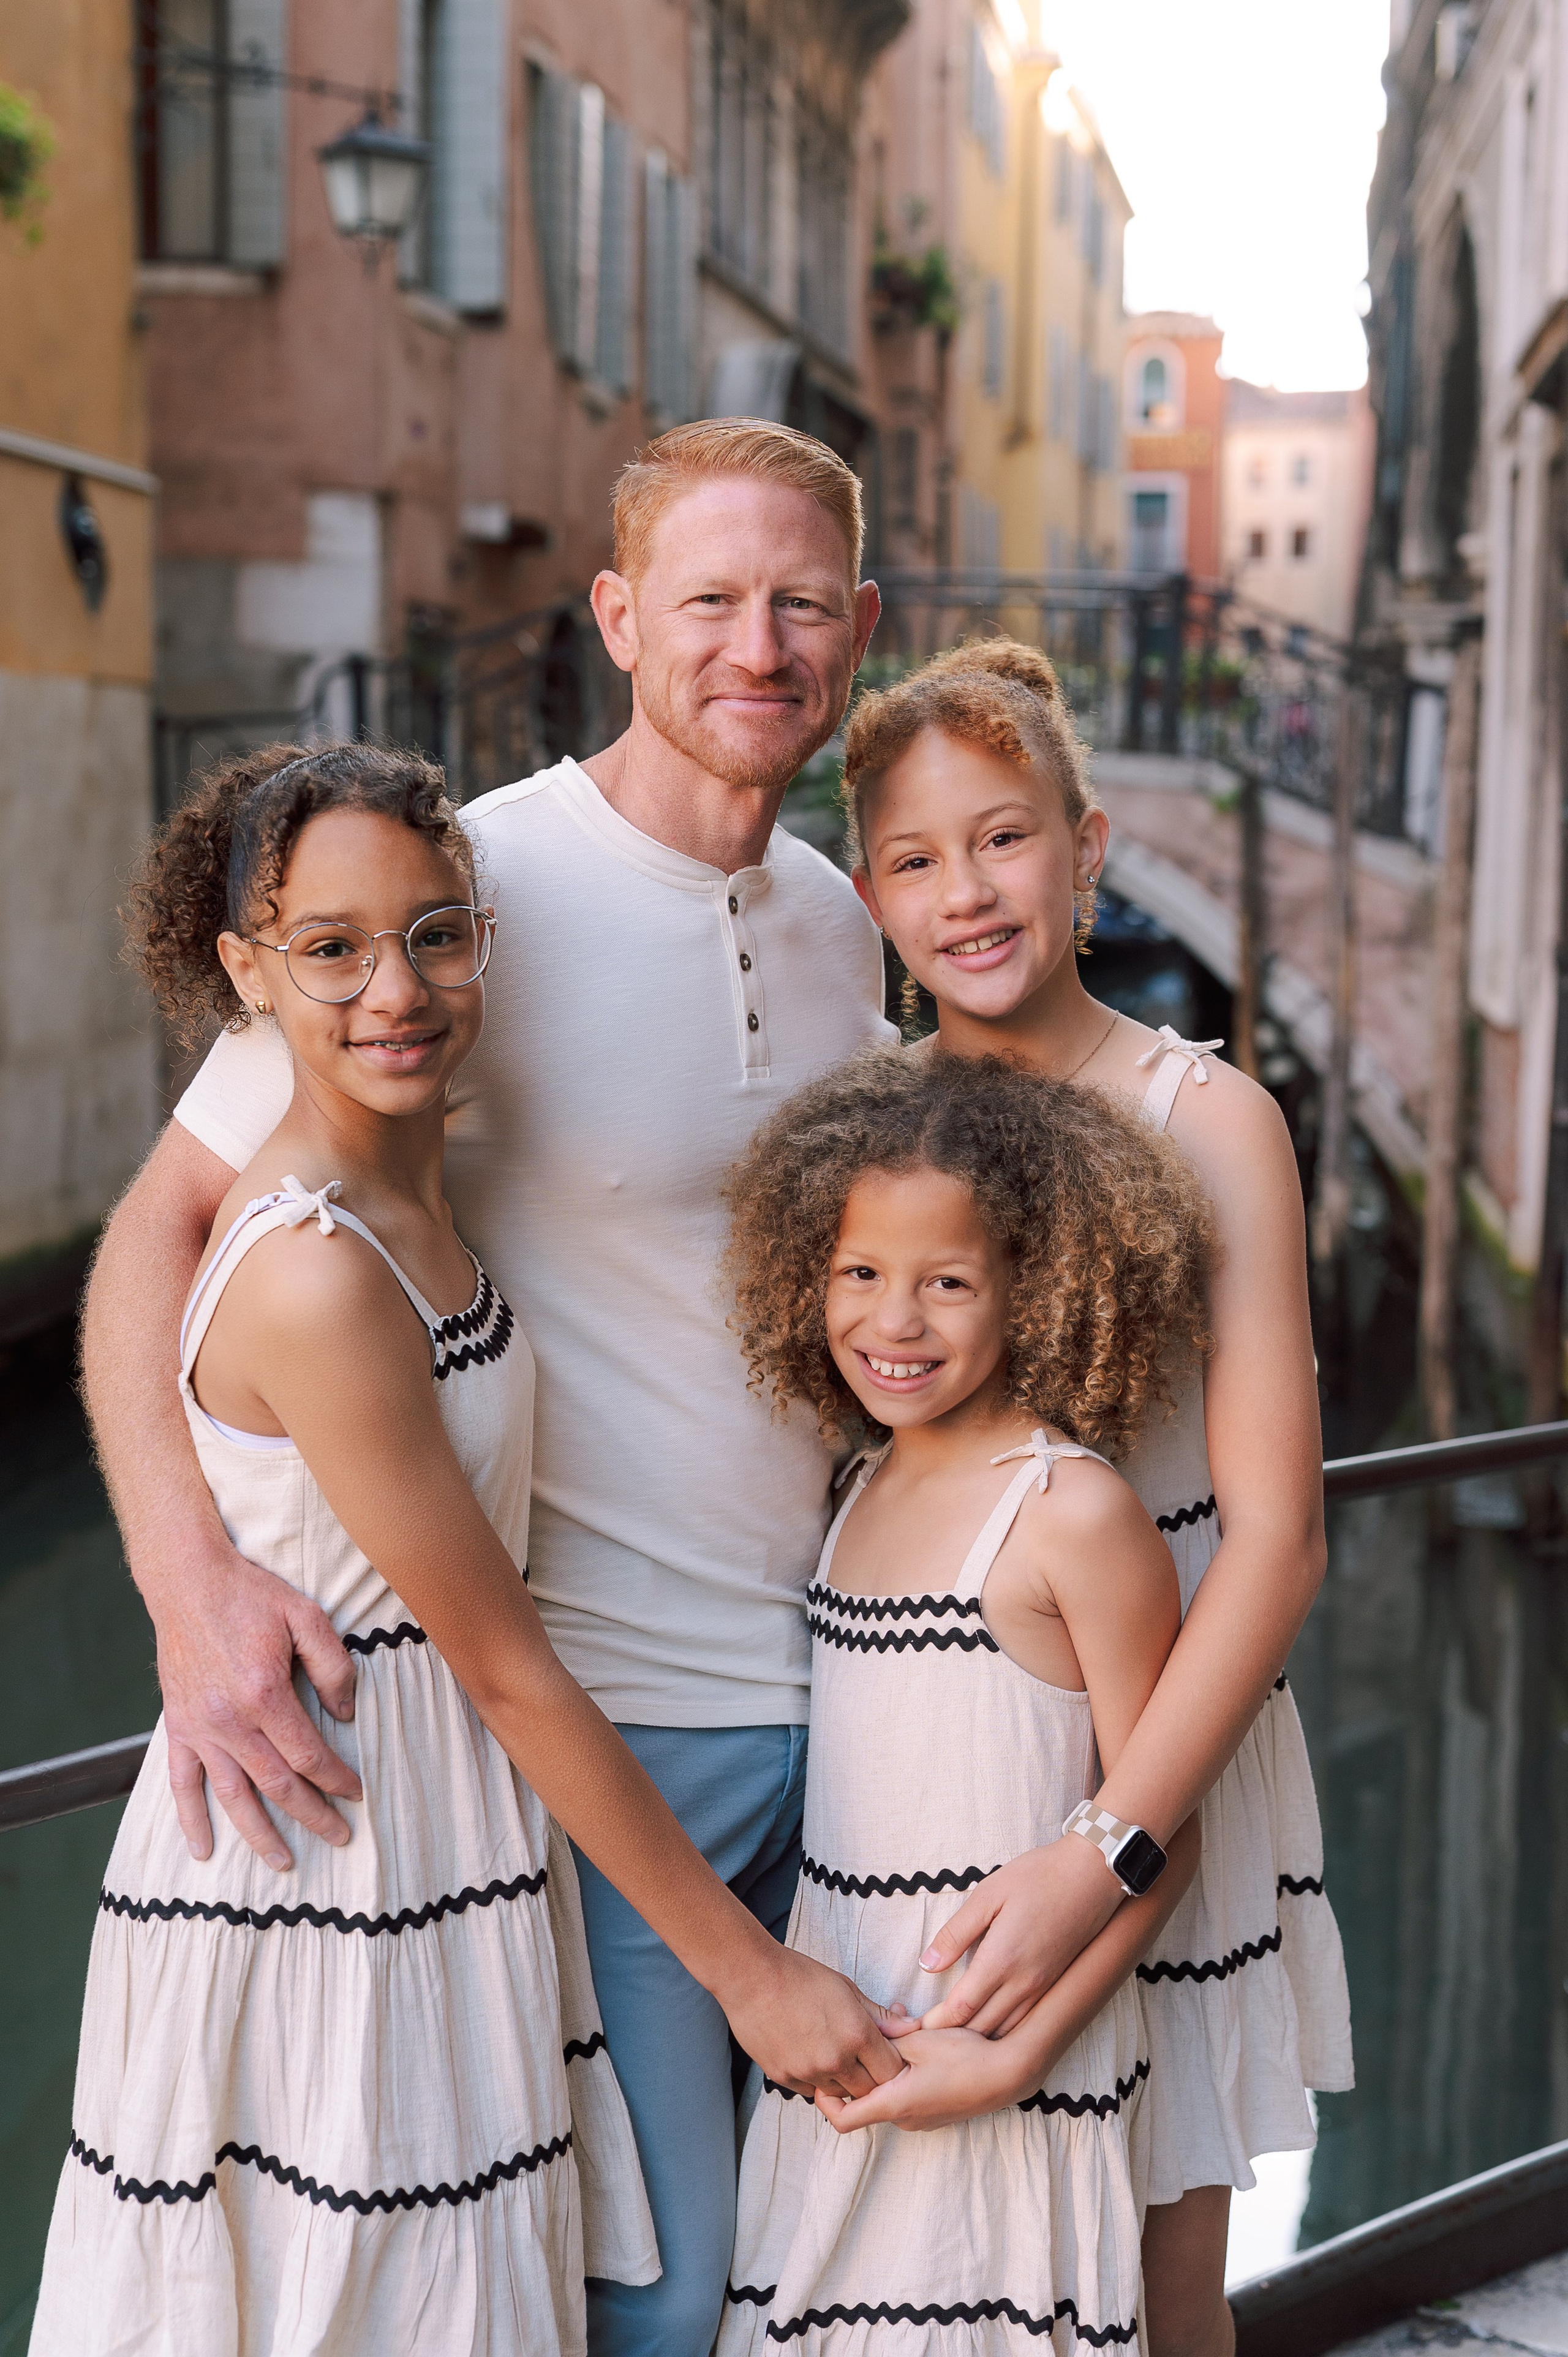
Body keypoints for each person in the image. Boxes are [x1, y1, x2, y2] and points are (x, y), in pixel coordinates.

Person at [78, 420, 904, 2357]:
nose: (757, 647)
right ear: (619, 618)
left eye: (800, 606)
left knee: (835, 2278)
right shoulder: (452, 896)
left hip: (849, 1699)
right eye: (709, 600)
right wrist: (191, 1586)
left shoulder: (841, 920)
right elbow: (161, 1241)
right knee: (646, 2293)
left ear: (861, 629)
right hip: (594, 1730)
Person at [838, 640, 1354, 2357]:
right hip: (933, 1755)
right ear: (870, 893)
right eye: (916, 858)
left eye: (1004, 839)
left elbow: (1279, 1539)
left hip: (1160, 1752)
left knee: (1149, 2286)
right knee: (937, 2265)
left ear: (1089, 842)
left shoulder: (1208, 1118)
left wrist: (1108, 1844)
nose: (966, 894)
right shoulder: (873, 1133)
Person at [715, 1047, 1209, 2352]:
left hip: (1010, 2051)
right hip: (847, 2028)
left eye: (947, 1283)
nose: (895, 1321)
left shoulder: (1069, 1512)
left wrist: (1015, 2053)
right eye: (859, 1275)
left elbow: (1158, 1836)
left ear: (1031, 1290)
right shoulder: (850, 1491)